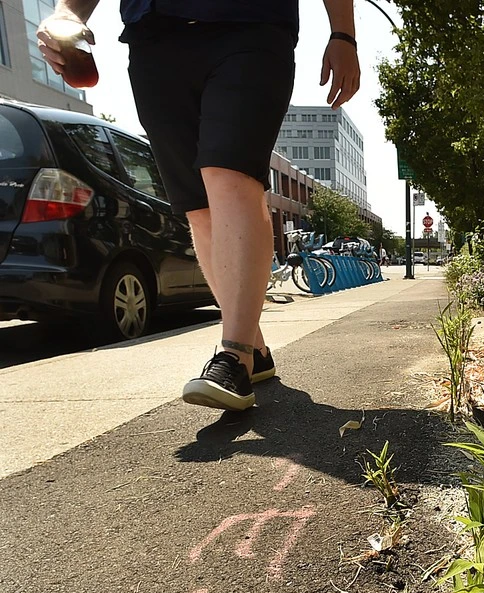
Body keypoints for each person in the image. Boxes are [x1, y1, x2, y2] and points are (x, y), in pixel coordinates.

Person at [37, 0, 360, 412]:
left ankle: (234, 354)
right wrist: (70, 13)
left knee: (229, 173)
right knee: (197, 204)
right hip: (154, 36)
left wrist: (343, 33)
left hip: (251, 25)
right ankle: (254, 348)